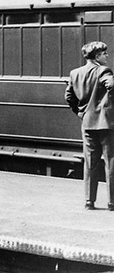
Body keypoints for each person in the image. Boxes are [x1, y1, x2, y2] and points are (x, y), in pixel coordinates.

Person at [65, 41, 114, 210]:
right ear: (97, 56)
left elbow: (69, 97)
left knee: (90, 162)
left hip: (87, 123)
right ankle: (112, 202)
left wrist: (80, 112)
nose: (107, 56)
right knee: (111, 162)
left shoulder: (75, 73)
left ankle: (89, 201)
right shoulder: (103, 70)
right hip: (106, 124)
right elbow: (112, 85)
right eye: (104, 53)